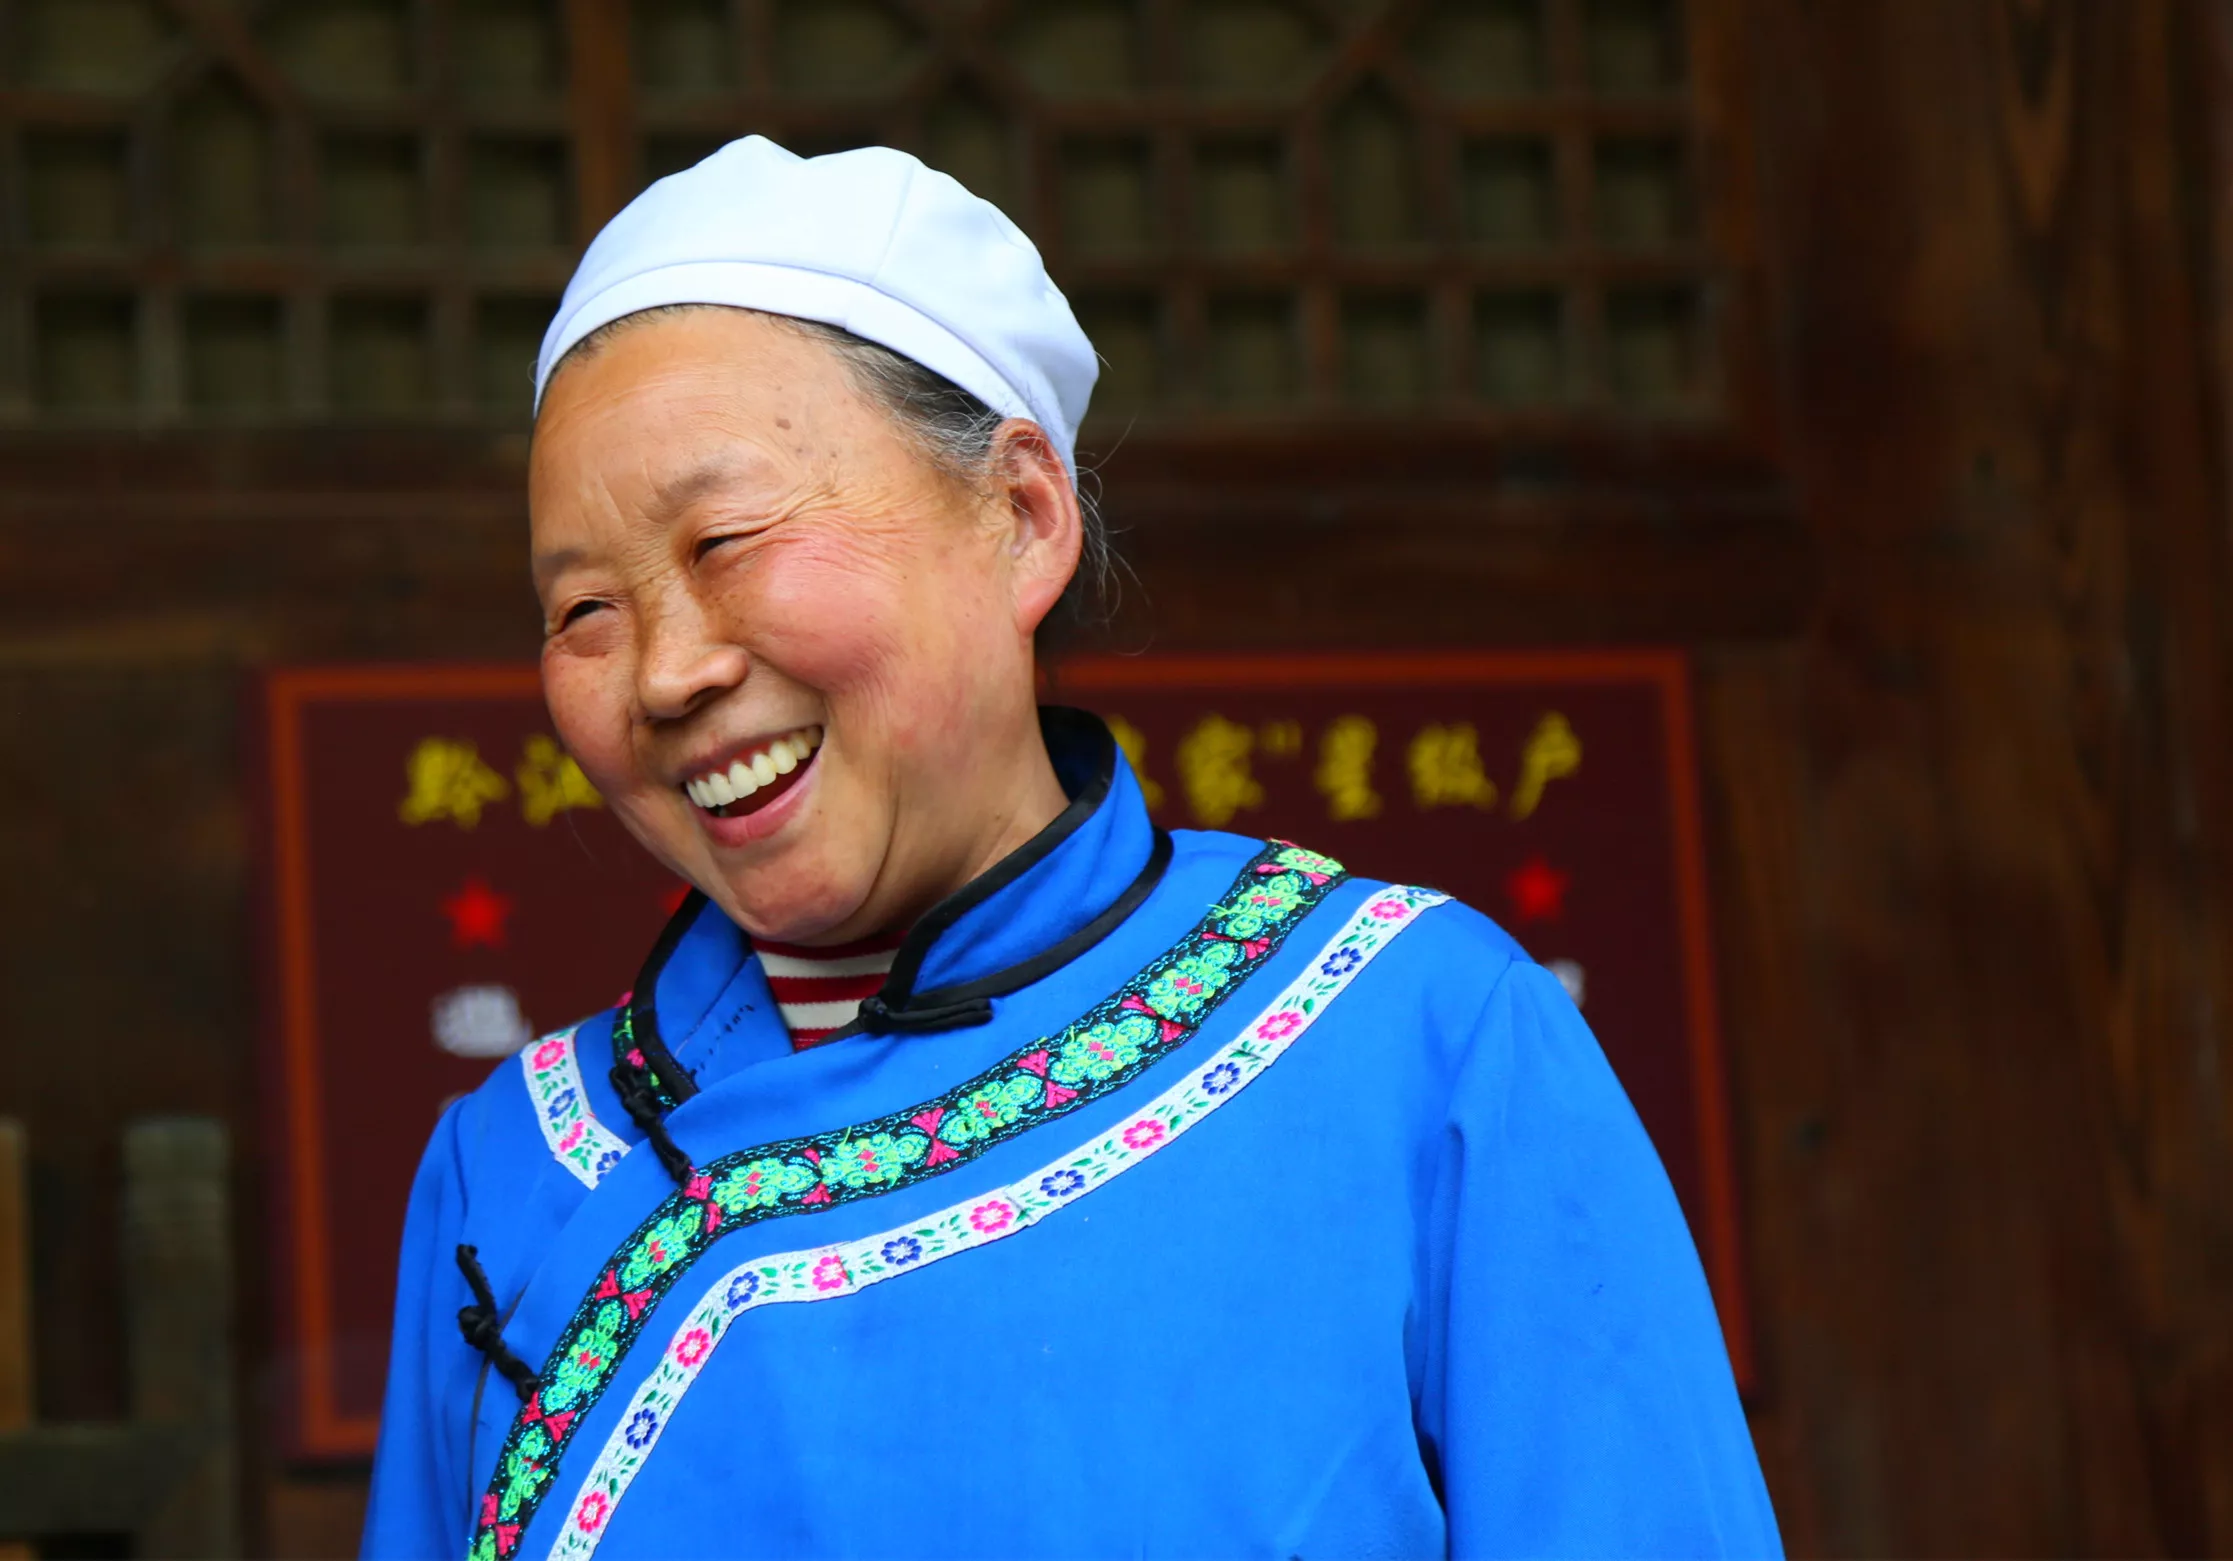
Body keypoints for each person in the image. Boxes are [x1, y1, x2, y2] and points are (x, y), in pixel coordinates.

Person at [363, 135, 1781, 1561]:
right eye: (583, 612)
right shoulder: (513, 1163)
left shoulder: (1410, 1034)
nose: (667, 672)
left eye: (725, 540)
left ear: (1023, 518)